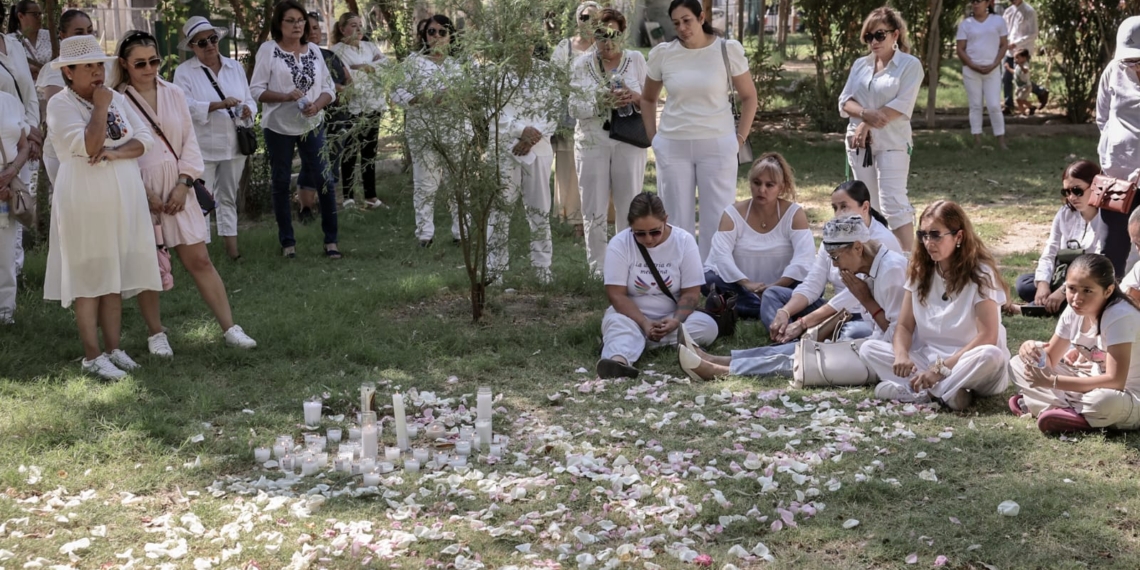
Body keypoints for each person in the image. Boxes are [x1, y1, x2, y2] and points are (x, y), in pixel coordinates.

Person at [114, 30, 256, 355]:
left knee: (200, 260)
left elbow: (190, 143)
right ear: (125, 64)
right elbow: (119, 150)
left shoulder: (174, 92)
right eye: (140, 64)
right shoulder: (117, 101)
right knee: (148, 265)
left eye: (154, 61)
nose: (149, 69)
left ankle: (230, 327)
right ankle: (155, 333)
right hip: (139, 188)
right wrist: (143, 193)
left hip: (181, 186)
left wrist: (184, 183)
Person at [43, 35, 159, 379]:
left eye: (99, 64)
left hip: (122, 194)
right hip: (84, 198)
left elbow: (144, 139)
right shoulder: (62, 105)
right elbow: (89, 145)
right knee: (89, 276)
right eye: (88, 66)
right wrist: (101, 107)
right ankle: (92, 356)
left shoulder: (113, 99)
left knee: (113, 274)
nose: (97, 72)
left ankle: (113, 348)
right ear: (68, 72)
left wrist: (117, 152)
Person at [680, 214, 907, 381]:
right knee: (801, 347)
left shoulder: (890, 271)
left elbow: (901, 337)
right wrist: (799, 323)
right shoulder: (869, 268)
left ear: (858, 247)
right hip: (874, 345)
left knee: (807, 360)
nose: (836, 267)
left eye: (836, 258)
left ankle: (722, 372)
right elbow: (839, 302)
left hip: (888, 356)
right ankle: (723, 360)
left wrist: (866, 301)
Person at [859, 200, 1011, 410]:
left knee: (990, 355)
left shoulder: (981, 274)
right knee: (869, 348)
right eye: (923, 235)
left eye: (936, 235)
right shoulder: (920, 272)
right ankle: (949, 394)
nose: (928, 242)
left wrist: (940, 370)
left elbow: (987, 337)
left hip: (969, 361)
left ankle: (924, 392)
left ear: (958, 236)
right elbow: (904, 326)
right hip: (928, 360)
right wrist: (902, 354)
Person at [641, 0, 757, 261]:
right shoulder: (663, 53)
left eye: (687, 20)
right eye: (676, 23)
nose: (682, 27)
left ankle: (715, 281)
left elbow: (750, 97)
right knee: (674, 216)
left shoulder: (727, 50)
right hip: (673, 144)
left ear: (701, 17)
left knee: (717, 218)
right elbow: (647, 99)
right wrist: (654, 139)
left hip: (718, 144)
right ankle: (678, 277)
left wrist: (738, 139)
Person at [1009, 253, 1140, 434]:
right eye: (1071, 288)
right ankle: (1067, 414)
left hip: (1127, 395)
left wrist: (1053, 382)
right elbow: (1051, 358)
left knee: (1102, 402)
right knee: (1019, 363)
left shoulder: (1120, 315)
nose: (1077, 298)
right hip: (1089, 385)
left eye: (1087, 290)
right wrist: (1029, 348)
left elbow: (1115, 381)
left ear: (1108, 291)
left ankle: (1046, 406)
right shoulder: (1073, 310)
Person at [249, 0, 340, 259]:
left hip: (312, 124)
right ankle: (288, 243)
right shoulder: (269, 50)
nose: (298, 25)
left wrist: (317, 106)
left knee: (324, 179)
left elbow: (328, 89)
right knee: (280, 182)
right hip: (278, 127)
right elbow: (256, 90)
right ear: (279, 24)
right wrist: (285, 96)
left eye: (301, 21)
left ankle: (331, 242)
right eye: (291, 20)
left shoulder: (313, 51)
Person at [597, 192, 718, 379]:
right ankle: (618, 361)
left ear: (665, 220)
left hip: (671, 316)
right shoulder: (619, 244)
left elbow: (691, 294)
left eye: (655, 231)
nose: (648, 239)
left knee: (708, 326)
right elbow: (616, 295)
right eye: (640, 233)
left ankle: (627, 342)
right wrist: (644, 323)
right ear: (630, 227)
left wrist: (675, 321)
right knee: (617, 322)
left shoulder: (684, 242)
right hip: (631, 316)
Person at [767, 180, 903, 343]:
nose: (839, 213)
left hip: (860, 315)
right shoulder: (836, 236)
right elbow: (813, 283)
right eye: (835, 208)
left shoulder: (881, 245)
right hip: (832, 311)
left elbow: (854, 296)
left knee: (850, 338)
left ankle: (799, 347)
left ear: (865, 207)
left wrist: (803, 323)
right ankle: (790, 339)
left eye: (844, 207)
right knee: (772, 295)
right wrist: (786, 312)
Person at [568, 7, 646, 277]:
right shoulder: (580, 64)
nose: (608, 42)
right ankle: (598, 269)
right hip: (592, 141)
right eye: (602, 35)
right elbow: (573, 108)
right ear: (593, 35)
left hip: (629, 140)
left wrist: (631, 96)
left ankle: (628, 266)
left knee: (629, 204)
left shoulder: (636, 60)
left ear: (622, 34)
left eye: (613, 35)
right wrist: (599, 101)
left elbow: (650, 99)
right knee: (594, 207)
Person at [839, 7, 923, 253]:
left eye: (879, 35)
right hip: (858, 144)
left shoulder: (910, 65)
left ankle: (910, 263)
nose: (873, 41)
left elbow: (902, 105)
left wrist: (867, 121)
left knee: (893, 203)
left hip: (892, 142)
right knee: (866, 204)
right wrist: (864, 114)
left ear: (895, 35)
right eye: (868, 36)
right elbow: (844, 102)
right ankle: (876, 257)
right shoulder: (860, 64)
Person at [172, 16, 256, 262]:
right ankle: (203, 258)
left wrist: (249, 110)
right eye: (201, 42)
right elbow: (183, 107)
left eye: (212, 39)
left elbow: (249, 98)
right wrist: (218, 104)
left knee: (228, 197)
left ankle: (233, 252)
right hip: (202, 148)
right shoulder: (184, 73)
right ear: (192, 47)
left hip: (234, 144)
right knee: (202, 202)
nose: (209, 45)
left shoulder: (235, 67)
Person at [703, 152, 814, 329]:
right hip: (743, 287)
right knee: (708, 279)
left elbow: (804, 258)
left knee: (811, 281)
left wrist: (774, 287)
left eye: (770, 185)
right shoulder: (732, 214)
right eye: (757, 183)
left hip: (782, 286)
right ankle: (778, 308)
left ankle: (756, 306)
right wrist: (747, 283)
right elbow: (720, 256)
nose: (762, 190)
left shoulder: (794, 213)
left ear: (781, 187)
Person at [392, 15, 464, 248]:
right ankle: (425, 235)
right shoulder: (412, 62)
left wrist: (456, 96)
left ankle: (461, 232)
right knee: (425, 184)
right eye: (431, 32)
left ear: (451, 35)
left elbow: (478, 92)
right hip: (423, 130)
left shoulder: (461, 62)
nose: (436, 37)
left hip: (456, 130)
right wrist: (419, 99)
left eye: (442, 32)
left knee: (458, 183)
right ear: (424, 35)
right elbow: (395, 91)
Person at [487, 44, 556, 284]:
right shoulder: (495, 74)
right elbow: (492, 111)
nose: (521, 46)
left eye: (526, 40)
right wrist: (520, 131)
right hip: (504, 147)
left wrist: (533, 136)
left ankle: (543, 267)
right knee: (500, 208)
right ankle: (495, 269)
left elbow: (553, 110)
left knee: (540, 209)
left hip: (540, 148)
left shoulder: (546, 72)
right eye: (516, 40)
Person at [1010, 160, 1106, 313]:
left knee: (1088, 295)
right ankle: (1054, 303)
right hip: (1063, 274)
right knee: (1024, 284)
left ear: (1095, 187)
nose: (1071, 197)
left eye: (1077, 190)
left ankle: (1028, 309)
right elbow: (1050, 252)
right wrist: (1043, 284)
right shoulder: (1065, 214)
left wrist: (1063, 291)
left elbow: (1098, 265)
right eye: (1066, 192)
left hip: (1090, 279)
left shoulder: (1107, 219)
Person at [1095, 15, 1140, 279]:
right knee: (1111, 247)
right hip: (1116, 180)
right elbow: (1103, 117)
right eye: (1129, 60)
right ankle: (1109, 308)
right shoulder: (1113, 70)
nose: (1133, 66)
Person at [552, 1, 600, 236]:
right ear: (576, 19)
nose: (587, 21)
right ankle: (573, 218)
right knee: (568, 168)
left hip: (599, 118)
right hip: (569, 115)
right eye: (583, 16)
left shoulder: (603, 47)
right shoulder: (565, 47)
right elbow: (555, 79)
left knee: (593, 167)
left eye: (592, 17)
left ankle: (595, 215)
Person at [331, 11, 387, 210]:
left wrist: (362, 67)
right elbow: (347, 78)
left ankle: (371, 196)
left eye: (360, 25)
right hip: (353, 106)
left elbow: (386, 67)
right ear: (342, 28)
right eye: (353, 25)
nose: (358, 29)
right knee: (351, 151)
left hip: (374, 103)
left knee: (369, 151)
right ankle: (348, 196)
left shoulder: (370, 46)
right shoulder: (337, 50)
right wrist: (370, 69)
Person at [37, 9, 92, 184]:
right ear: (62, 35)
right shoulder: (54, 70)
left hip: (95, 146)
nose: (85, 37)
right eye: (78, 32)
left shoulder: (101, 66)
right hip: (64, 154)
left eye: (89, 31)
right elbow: (59, 114)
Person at [956, 0, 1008, 150]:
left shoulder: (998, 21)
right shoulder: (966, 24)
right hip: (972, 71)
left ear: (987, 3)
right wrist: (972, 65)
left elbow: (1004, 44)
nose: (975, 4)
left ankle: (1001, 140)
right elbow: (960, 49)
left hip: (992, 70)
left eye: (979, 1)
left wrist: (995, 63)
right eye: (973, 2)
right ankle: (977, 141)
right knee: (976, 106)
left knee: (994, 105)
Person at [0, 90, 27, 324]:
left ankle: (5, 313)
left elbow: (24, 145)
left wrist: (12, 171)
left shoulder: (9, 100)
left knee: (6, 252)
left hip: (6, 182)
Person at [1001, 0, 1048, 113]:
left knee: (1020, 78)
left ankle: (1040, 91)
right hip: (1009, 50)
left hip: (1022, 51)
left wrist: (1016, 43)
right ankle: (1008, 105)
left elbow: (1033, 33)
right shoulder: (1008, 11)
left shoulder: (1029, 11)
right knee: (1006, 77)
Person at [8, 1, 48, 81]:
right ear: (21, 16)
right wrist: (26, 70)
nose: (39, 17)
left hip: (50, 89)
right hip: (25, 90)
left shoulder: (49, 36)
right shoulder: (10, 40)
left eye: (40, 14)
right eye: (35, 14)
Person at [1006, 49, 1034, 115]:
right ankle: (1030, 107)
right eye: (1015, 58)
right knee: (1021, 100)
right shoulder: (1018, 66)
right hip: (1020, 87)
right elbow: (1015, 72)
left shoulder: (1025, 64)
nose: (1015, 59)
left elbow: (1025, 71)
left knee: (1019, 99)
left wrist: (1021, 65)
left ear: (1024, 58)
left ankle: (1023, 112)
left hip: (1026, 86)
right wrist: (1008, 68)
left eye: (1017, 58)